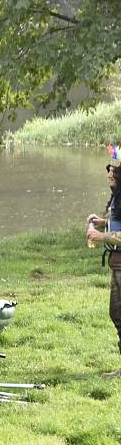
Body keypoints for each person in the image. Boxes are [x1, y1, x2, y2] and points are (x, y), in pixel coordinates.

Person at [87, 147, 121, 362]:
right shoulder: (117, 197)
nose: (109, 174)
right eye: (110, 170)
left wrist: (100, 236)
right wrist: (102, 222)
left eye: (114, 171)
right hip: (117, 265)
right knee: (116, 314)